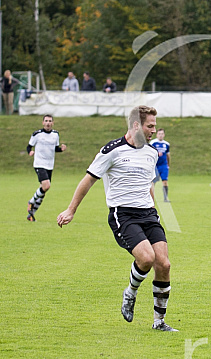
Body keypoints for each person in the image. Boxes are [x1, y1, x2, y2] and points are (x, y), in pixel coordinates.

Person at [57, 105, 177, 332]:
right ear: (136, 125)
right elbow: (88, 180)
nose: (153, 130)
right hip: (123, 214)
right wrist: (71, 210)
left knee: (164, 264)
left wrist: (154, 210)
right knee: (146, 258)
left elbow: (147, 184)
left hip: (148, 214)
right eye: (149, 126)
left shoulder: (151, 152)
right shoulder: (111, 150)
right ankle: (130, 293)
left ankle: (159, 322)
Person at [26, 115, 67, 221]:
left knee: (43, 191)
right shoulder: (37, 134)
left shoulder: (55, 134)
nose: (48, 123)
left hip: (49, 165)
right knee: (46, 185)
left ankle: (31, 214)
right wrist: (30, 151)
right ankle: (31, 202)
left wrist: (61, 149)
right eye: (46, 121)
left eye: (50, 121)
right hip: (39, 163)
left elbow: (54, 149)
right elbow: (29, 146)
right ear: (43, 123)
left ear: (53, 123)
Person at [151, 128, 171, 202]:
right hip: (155, 166)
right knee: (153, 182)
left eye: (162, 134)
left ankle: (165, 198)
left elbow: (168, 155)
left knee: (165, 181)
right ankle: (151, 199)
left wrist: (168, 165)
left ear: (164, 135)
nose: (160, 135)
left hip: (163, 165)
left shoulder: (166, 144)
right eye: (159, 134)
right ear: (157, 135)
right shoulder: (153, 143)